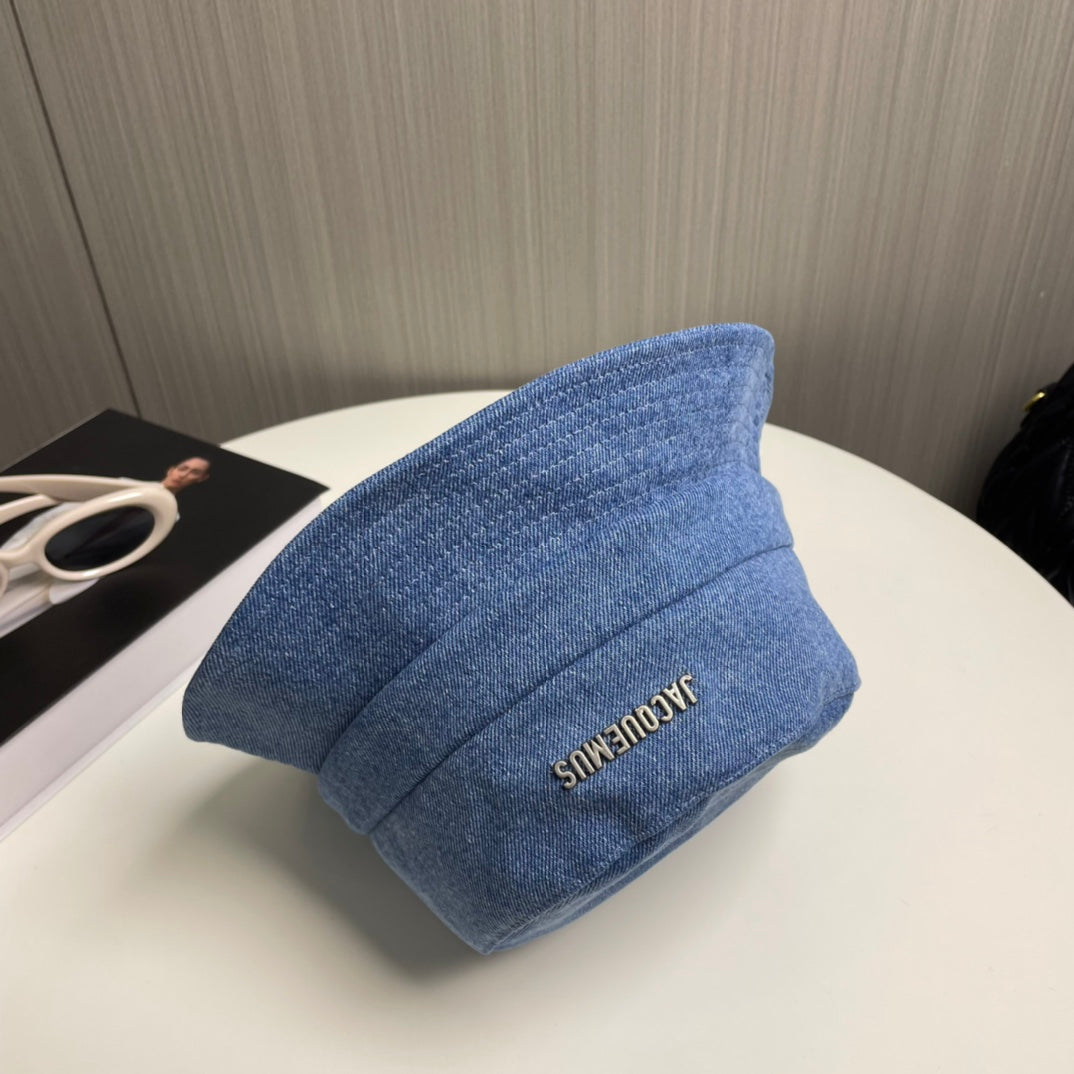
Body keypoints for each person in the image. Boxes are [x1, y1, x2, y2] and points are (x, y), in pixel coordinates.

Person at [0, 457, 211, 639]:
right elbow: (57, 513)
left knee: (11, 612)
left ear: (201, 479)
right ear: (172, 469)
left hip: (76, 570)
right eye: (183, 468)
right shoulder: (123, 486)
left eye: (194, 472)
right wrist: (20, 544)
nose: (185, 474)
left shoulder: (169, 518)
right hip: (43, 548)